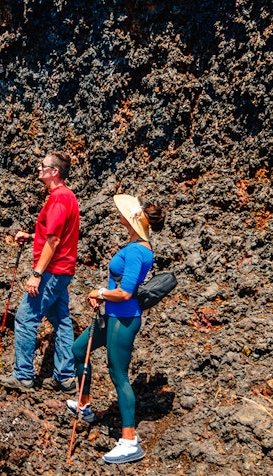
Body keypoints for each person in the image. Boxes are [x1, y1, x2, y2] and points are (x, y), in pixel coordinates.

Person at [65, 193, 165, 465]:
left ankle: (130, 441)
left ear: (132, 220)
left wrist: (100, 292)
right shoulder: (135, 245)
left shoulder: (137, 251)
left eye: (122, 212)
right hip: (111, 315)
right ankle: (84, 405)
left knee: (118, 374)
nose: (117, 213)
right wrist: (103, 296)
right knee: (78, 349)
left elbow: (124, 293)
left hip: (123, 318)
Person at [0, 151, 80, 394]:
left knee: (25, 318)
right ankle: (65, 377)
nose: (38, 168)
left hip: (51, 271)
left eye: (43, 166)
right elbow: (56, 235)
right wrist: (33, 236)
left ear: (54, 172)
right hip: (63, 270)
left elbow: (54, 241)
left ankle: (23, 375)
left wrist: (36, 274)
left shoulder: (58, 199)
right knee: (62, 321)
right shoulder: (68, 197)